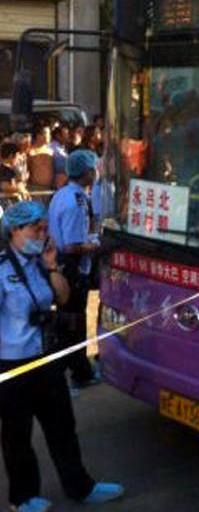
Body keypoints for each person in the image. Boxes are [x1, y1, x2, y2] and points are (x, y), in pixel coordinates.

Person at [0, 201, 123, 512]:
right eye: (35, 228)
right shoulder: (2, 267)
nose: (43, 233)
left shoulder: (41, 262)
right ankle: (23, 496)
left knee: (62, 426)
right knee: (17, 433)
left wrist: (53, 266)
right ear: (14, 230)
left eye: (44, 228)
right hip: (12, 365)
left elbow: (64, 298)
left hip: (46, 358)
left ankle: (80, 485)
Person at [48, 150, 100, 389]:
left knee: (67, 319)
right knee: (74, 321)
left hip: (60, 264)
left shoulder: (62, 193)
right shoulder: (76, 200)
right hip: (72, 268)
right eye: (93, 169)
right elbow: (72, 245)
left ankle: (71, 369)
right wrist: (97, 246)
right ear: (87, 172)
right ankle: (79, 371)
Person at [28, 124, 54, 196]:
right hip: (35, 189)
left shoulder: (51, 151)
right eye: (47, 133)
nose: (49, 136)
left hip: (50, 189)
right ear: (39, 135)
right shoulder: (30, 152)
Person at [49, 125, 69, 190]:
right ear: (58, 136)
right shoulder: (53, 148)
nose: (67, 136)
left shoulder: (62, 148)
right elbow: (59, 166)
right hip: (57, 184)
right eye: (65, 134)